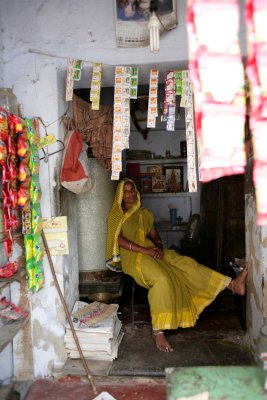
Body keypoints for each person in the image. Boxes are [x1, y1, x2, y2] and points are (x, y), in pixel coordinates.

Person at [106, 178, 248, 353]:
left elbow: (153, 233)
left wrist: (158, 245)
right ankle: (158, 330)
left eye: (132, 190)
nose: (130, 194)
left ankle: (232, 285)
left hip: (150, 251)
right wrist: (146, 251)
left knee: (186, 264)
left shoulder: (143, 212)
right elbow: (118, 240)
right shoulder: (116, 214)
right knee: (162, 279)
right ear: (120, 194)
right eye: (126, 191)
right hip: (132, 257)